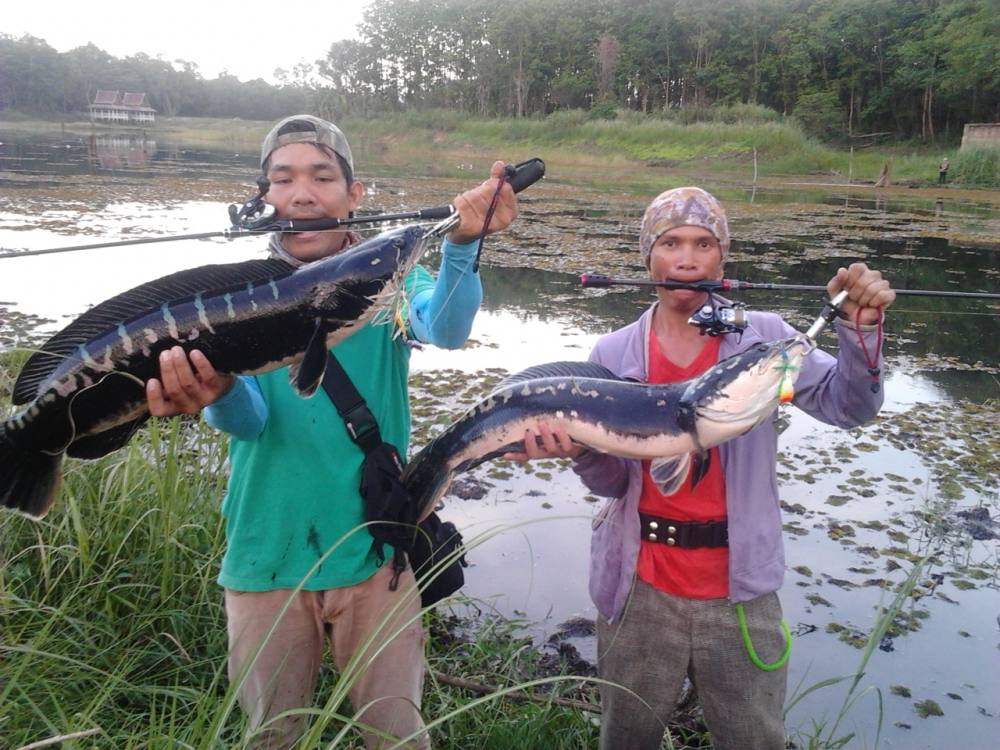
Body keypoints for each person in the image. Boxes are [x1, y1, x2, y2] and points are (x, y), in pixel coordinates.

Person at [144, 114, 519, 749]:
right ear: (265, 195)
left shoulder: (393, 280)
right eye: (282, 178)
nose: (302, 192)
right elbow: (252, 425)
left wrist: (460, 245)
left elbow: (446, 328)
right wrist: (217, 392)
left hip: (373, 553)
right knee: (272, 734)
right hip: (265, 552)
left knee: (396, 733)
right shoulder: (241, 296)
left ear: (355, 193)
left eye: (322, 176)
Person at [508, 187, 895, 749]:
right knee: (626, 737)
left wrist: (859, 331)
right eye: (670, 243)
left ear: (721, 258)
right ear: (650, 258)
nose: (687, 258)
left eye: (703, 243)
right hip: (637, 587)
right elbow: (616, 483)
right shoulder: (612, 355)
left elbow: (850, 405)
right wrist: (582, 451)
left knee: (753, 738)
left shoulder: (766, 340)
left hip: (741, 590)